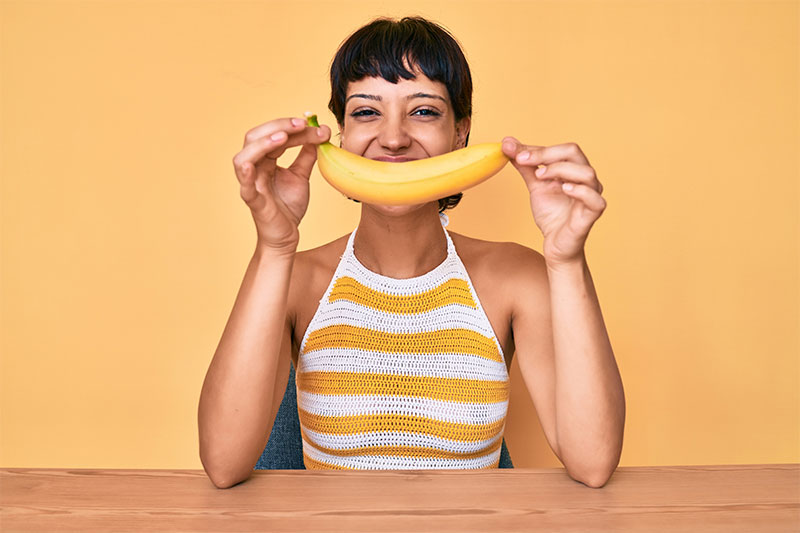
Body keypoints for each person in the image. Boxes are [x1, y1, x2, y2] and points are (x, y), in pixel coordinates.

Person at [198, 16, 625, 488]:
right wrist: (274, 247)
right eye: (365, 112)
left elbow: (593, 462)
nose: (395, 137)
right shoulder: (297, 278)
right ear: (339, 133)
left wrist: (567, 261)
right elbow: (223, 463)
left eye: (423, 111)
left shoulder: (514, 277)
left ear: (460, 133)